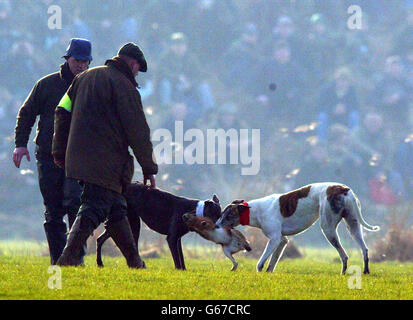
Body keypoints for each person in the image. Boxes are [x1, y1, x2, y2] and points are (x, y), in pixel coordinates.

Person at [52, 43, 158, 268]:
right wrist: (149, 168)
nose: (137, 73)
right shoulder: (124, 87)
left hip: (79, 157)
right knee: (93, 207)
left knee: (117, 209)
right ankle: (66, 259)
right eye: (138, 69)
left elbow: (62, 111)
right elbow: (138, 131)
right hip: (105, 161)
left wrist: (59, 150)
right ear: (132, 64)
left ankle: (135, 262)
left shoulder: (84, 78)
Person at [13, 38, 92, 265]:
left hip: (77, 158)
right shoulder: (46, 85)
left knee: (76, 206)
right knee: (53, 209)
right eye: (78, 60)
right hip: (47, 156)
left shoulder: (91, 87)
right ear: (67, 58)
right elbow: (26, 114)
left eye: (86, 61)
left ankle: (75, 258)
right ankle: (58, 260)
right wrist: (20, 144)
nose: (82, 65)